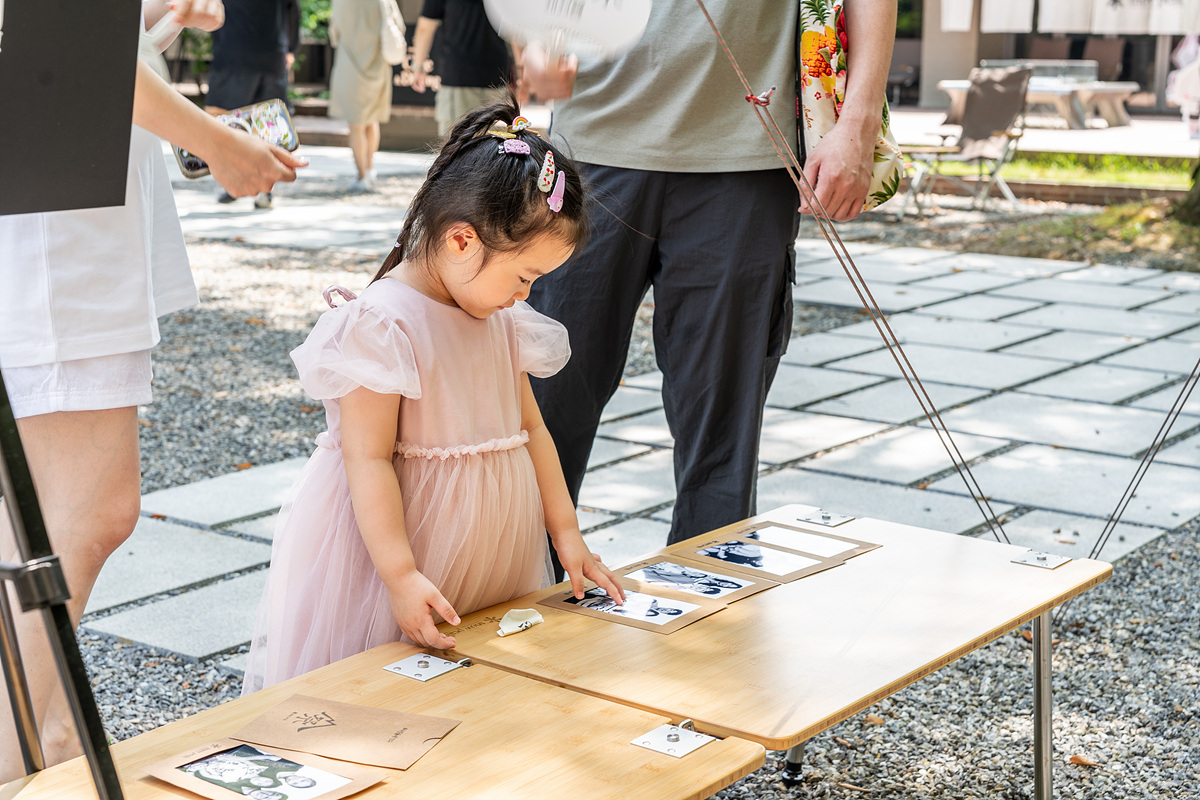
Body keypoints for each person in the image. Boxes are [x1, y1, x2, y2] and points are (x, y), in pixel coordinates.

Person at [0, 0, 305, 781]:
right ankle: (23, 749)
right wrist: (215, 144)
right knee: (80, 513)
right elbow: (66, 41)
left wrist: (144, 23)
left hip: (63, 190)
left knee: (38, 516)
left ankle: (49, 733)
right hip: (57, 213)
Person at [241, 96, 625, 693]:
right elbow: (365, 457)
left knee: (479, 687)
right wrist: (398, 576)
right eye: (524, 276)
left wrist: (566, 533)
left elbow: (534, 431)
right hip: (403, 548)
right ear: (461, 241)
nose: (526, 295)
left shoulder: (498, 317)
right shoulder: (383, 323)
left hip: (495, 547)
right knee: (386, 688)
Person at [519, 0, 896, 549]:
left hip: (744, 155)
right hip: (592, 144)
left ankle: (711, 618)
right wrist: (536, 40)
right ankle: (522, 596)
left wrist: (858, 123)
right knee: (544, 399)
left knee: (722, 425)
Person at [206, 0, 302, 208]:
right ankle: (246, 183)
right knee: (255, 123)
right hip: (261, 51)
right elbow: (293, 10)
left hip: (240, 52)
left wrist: (290, 48)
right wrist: (290, 48)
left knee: (239, 120)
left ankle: (254, 186)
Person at [409, 0, 512, 137]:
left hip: (458, 75)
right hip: (496, 74)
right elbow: (515, 30)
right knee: (490, 146)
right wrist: (522, 73)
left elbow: (425, 27)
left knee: (455, 146)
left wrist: (418, 66)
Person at [329, 0, 393, 192]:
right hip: (377, 62)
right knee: (372, 120)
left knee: (356, 125)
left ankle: (361, 174)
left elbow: (334, 34)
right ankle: (370, 169)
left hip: (350, 65)